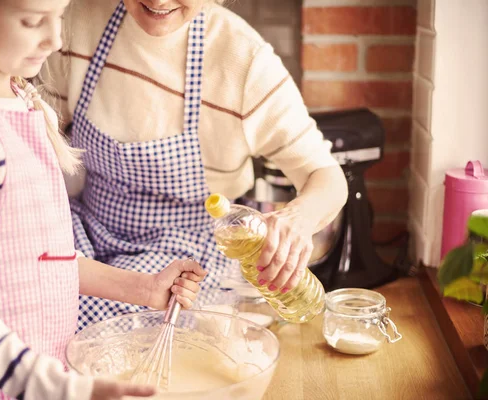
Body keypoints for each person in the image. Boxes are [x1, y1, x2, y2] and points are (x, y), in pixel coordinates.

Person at [0, 0, 206, 398]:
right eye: (32, 21)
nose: (55, 39)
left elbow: (41, 260)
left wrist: (144, 290)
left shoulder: (17, 97)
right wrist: (62, 388)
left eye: (59, 17)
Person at [43, 0, 348, 329]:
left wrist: (298, 218)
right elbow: (40, 135)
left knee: (86, 319)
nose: (159, 0)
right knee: (34, 287)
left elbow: (327, 177)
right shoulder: (75, 20)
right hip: (86, 224)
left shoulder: (244, 60)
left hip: (185, 253)